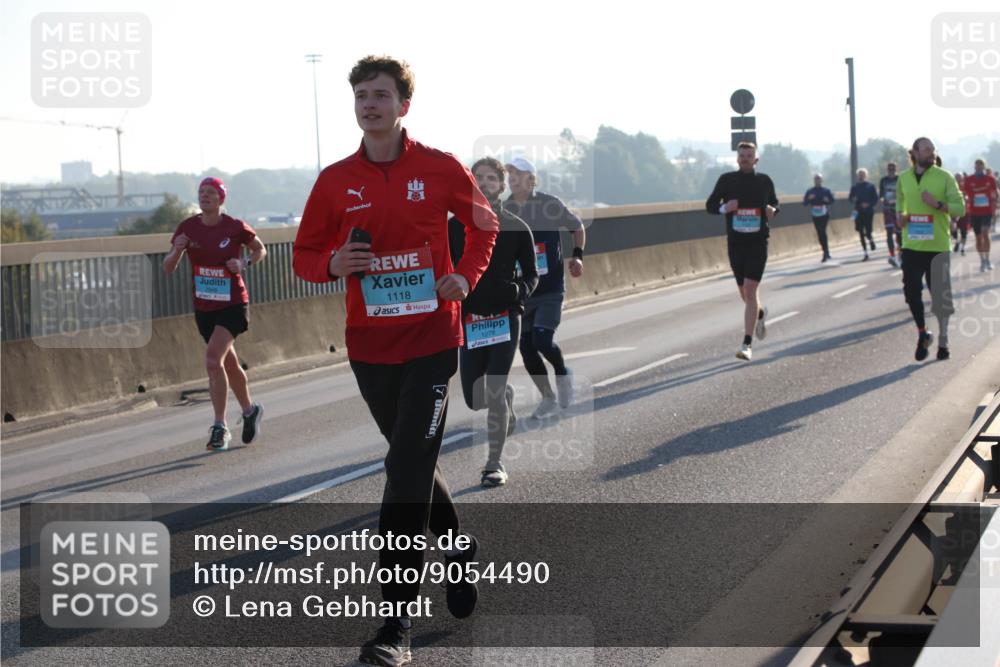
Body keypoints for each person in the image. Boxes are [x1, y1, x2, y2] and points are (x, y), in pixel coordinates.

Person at [292, 56, 498, 667]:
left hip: (434, 341)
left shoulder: (438, 168)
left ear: (403, 106)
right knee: (411, 461)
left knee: (405, 472)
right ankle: (455, 545)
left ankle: (393, 625)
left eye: (380, 94)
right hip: (369, 347)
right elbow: (304, 254)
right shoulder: (334, 181)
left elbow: (483, 225)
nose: (369, 104)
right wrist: (333, 265)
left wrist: (464, 274)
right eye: (361, 95)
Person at [448, 157, 538, 487]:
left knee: (495, 390)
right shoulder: (453, 227)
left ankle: (494, 463)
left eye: (490, 178)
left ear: (501, 186)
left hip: (504, 317)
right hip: (470, 320)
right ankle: (506, 398)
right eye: (477, 178)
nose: (483, 183)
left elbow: (531, 275)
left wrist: (517, 292)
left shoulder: (516, 227)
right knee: (475, 398)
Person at [163, 177, 266, 451]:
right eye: (201, 192)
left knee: (212, 360)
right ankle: (250, 410)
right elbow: (168, 267)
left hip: (233, 304)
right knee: (227, 364)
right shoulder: (188, 228)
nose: (205, 196)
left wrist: (242, 262)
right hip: (205, 307)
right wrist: (177, 249)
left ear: (221, 198)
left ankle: (219, 427)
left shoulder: (234, 226)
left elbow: (259, 249)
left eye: (211, 193)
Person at [505, 156, 585, 418]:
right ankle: (547, 397)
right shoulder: (505, 209)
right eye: (509, 173)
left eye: (517, 173)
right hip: (524, 290)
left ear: (531, 178)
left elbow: (577, 227)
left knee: (542, 339)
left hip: (550, 287)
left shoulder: (549, 204)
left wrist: (577, 256)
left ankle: (563, 373)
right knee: (526, 348)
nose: (512, 177)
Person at [705, 141, 779, 362]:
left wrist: (772, 210)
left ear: (756, 159)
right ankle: (760, 312)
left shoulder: (764, 181)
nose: (745, 158)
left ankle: (746, 344)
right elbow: (710, 205)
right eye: (742, 155)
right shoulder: (727, 180)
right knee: (746, 296)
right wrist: (724, 208)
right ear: (737, 159)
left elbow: (775, 204)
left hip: (758, 242)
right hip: (736, 243)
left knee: (750, 288)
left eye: (749, 155)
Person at [896, 137, 965, 361]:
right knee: (911, 291)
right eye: (926, 149)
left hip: (937, 246)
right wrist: (900, 217)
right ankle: (923, 332)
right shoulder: (904, 178)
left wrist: (937, 204)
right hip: (912, 246)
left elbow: (960, 208)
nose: (931, 152)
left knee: (940, 299)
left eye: (933, 149)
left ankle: (943, 340)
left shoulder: (944, 177)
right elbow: (899, 204)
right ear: (915, 153)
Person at [962, 159, 997, 271]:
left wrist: (995, 201)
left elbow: (995, 192)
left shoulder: (990, 179)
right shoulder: (969, 180)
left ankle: (987, 259)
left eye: (980, 167)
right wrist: (967, 200)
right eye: (976, 167)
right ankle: (982, 260)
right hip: (974, 212)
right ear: (974, 167)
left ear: (984, 167)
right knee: (978, 238)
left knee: (985, 233)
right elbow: (964, 192)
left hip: (987, 211)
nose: (978, 169)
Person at [849, 168, 879, 261]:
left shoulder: (871, 186)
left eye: (863, 174)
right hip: (858, 212)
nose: (861, 176)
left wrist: (869, 204)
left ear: (866, 176)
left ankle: (871, 240)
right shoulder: (854, 187)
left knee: (868, 231)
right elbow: (850, 198)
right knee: (860, 232)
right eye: (859, 174)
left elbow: (875, 198)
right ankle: (865, 253)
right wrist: (853, 200)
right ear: (857, 176)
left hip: (868, 212)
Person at [803, 174, 834, 262]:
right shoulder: (810, 191)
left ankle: (825, 252)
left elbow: (832, 200)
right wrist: (809, 199)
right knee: (819, 233)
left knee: (822, 231)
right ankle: (825, 250)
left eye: (819, 179)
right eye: (816, 179)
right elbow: (805, 203)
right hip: (815, 214)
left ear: (821, 180)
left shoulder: (826, 190)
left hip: (824, 214)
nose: (817, 180)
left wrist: (827, 200)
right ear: (814, 181)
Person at [878, 162, 902, 267]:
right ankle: (892, 255)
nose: (891, 170)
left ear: (896, 169)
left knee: (899, 234)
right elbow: (881, 195)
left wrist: (897, 200)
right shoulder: (883, 180)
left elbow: (903, 193)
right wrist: (883, 201)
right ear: (887, 169)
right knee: (888, 233)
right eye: (889, 168)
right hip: (887, 209)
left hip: (898, 209)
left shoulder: (900, 179)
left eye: (893, 168)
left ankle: (900, 254)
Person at [952, 173, 971, 256]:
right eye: (956, 178)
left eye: (959, 178)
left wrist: (966, 199)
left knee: (964, 231)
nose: (958, 180)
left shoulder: (966, 187)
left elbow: (970, 197)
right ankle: (957, 241)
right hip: (954, 212)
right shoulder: (951, 187)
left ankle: (963, 248)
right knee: (954, 230)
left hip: (964, 212)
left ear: (962, 179)